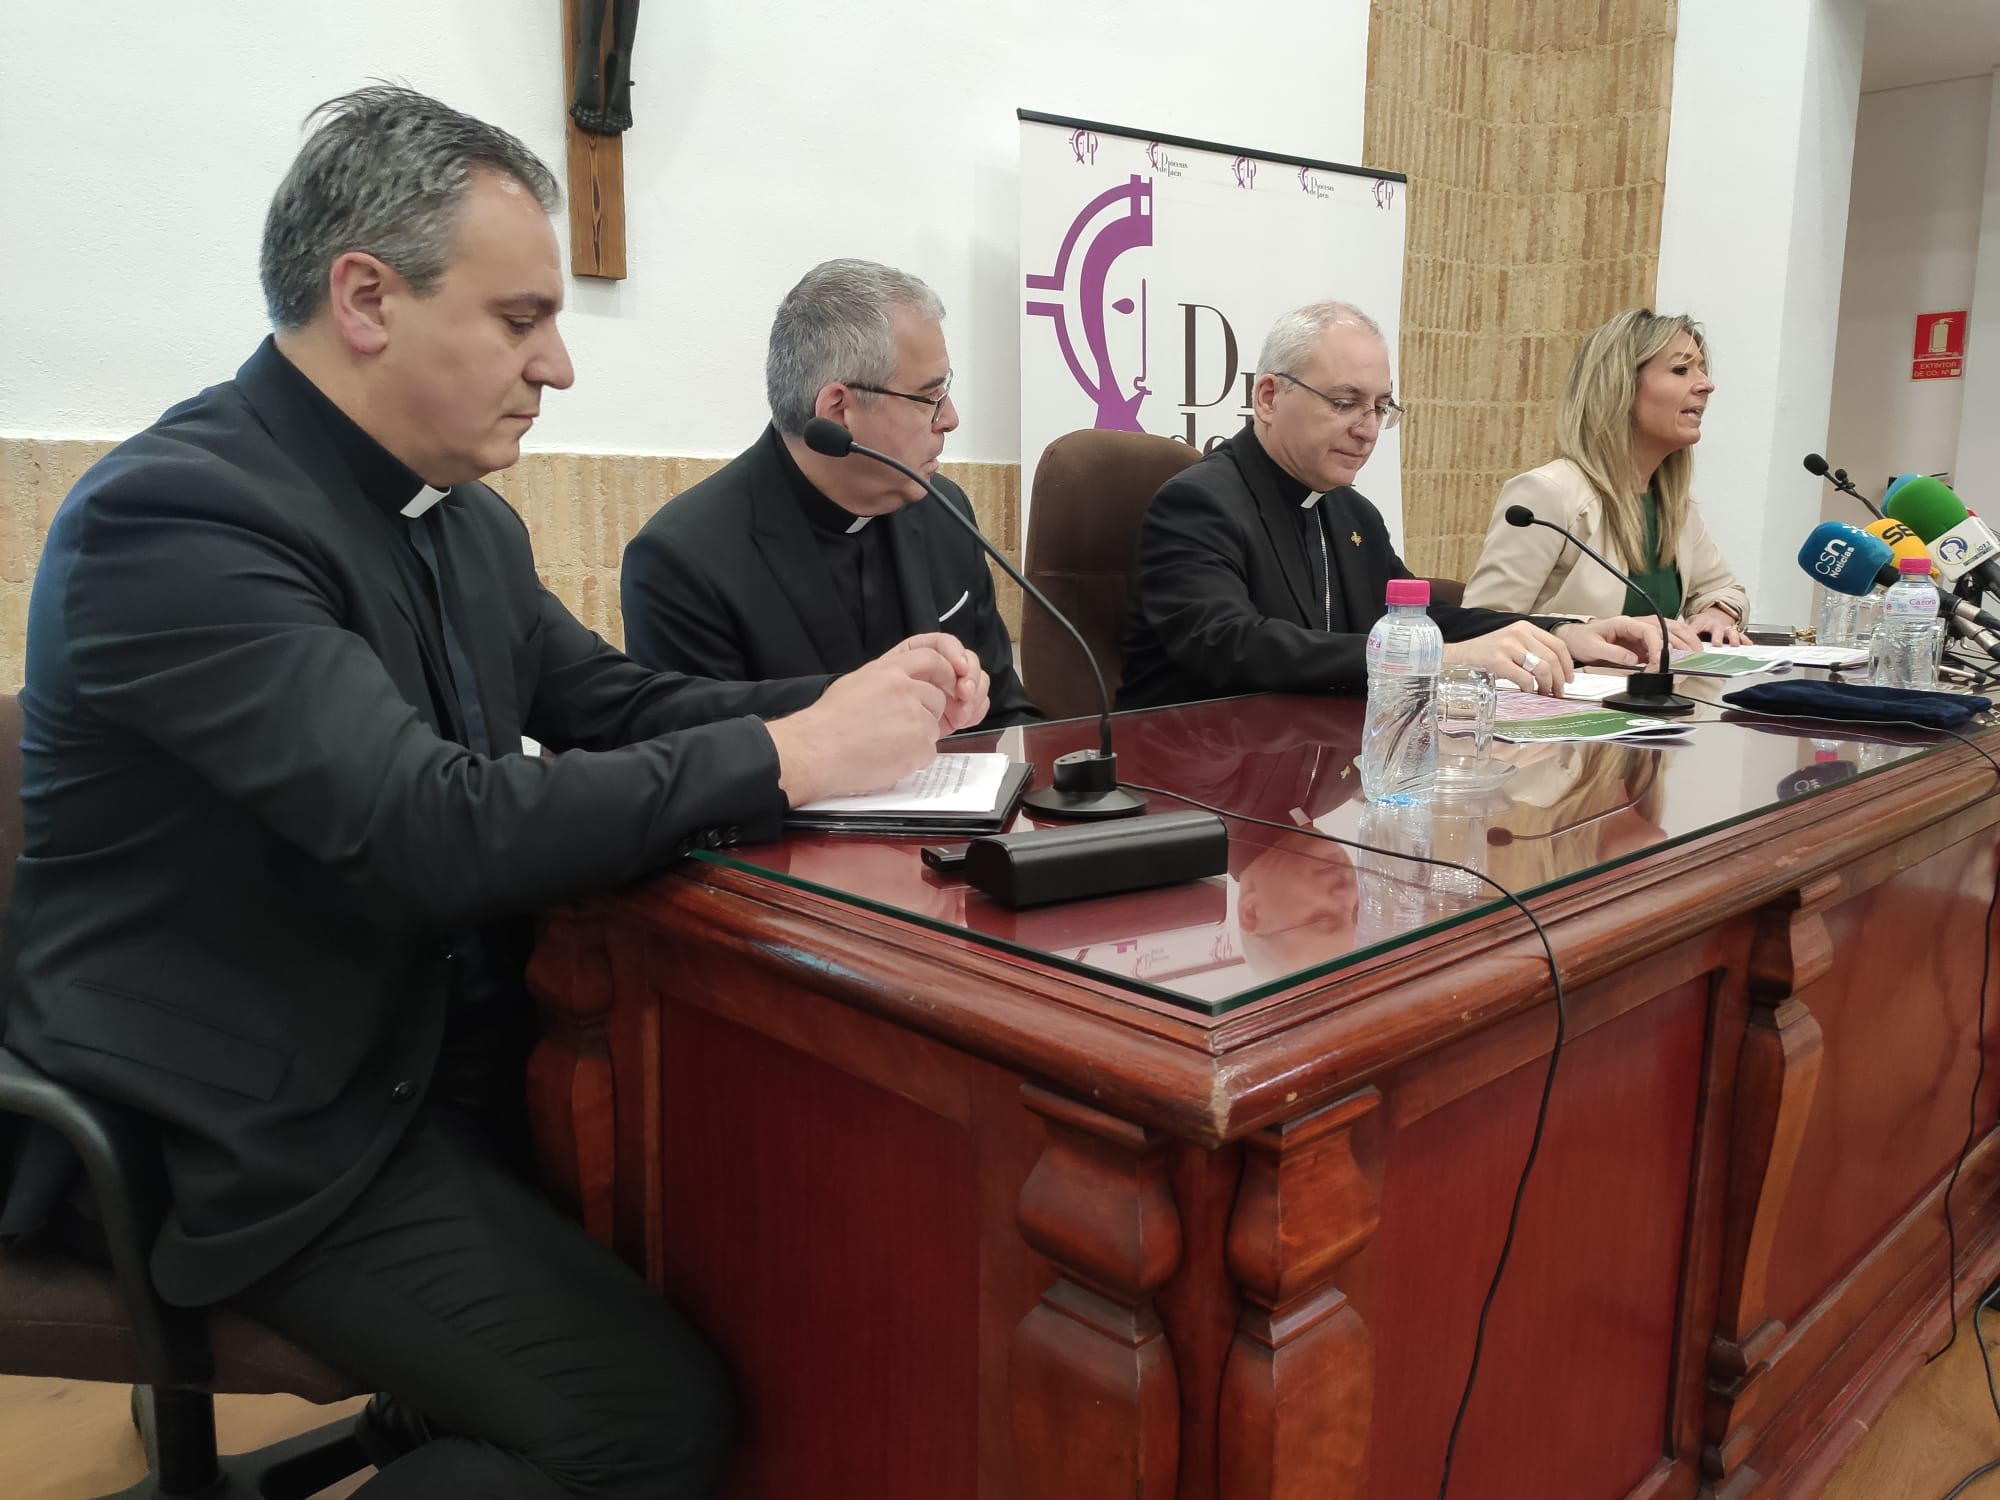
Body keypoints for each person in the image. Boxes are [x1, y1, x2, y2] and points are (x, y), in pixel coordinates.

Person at [0, 86, 988, 1500]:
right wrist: (795, 754)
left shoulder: (458, 517)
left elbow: (614, 707)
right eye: (523, 320)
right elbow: (429, 827)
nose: (561, 368)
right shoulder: (179, 521)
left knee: (760, 1239)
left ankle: (445, 1420)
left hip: (434, 1051)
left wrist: (847, 705)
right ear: (366, 298)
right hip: (247, 1122)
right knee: (644, 1419)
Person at [1116, 302, 1660, 711]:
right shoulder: (1200, 502)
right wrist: (1434, 659)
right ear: (1268, 397)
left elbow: (1419, 618)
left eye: (1380, 407)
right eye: (1345, 403)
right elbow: (1234, 645)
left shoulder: (1350, 513)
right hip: (1193, 770)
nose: (1367, 428)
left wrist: (1560, 631)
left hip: (1308, 759)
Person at [620, 259, 1040, 732]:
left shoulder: (944, 510)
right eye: (930, 397)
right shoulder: (682, 561)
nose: (950, 418)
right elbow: (700, 767)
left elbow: (1007, 714)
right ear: (839, 410)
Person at [1462, 308, 1750, 646]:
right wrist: (1588, 630)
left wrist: (1716, 615)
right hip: (1566, 695)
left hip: (1652, 695)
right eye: (1681, 369)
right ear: (1621, 387)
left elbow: (1725, 589)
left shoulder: (1672, 504)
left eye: (1701, 370)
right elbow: (1484, 623)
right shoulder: (1547, 493)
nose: (1706, 385)